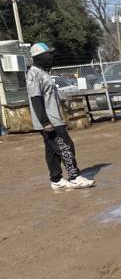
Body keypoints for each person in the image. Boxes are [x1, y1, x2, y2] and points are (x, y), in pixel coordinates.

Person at [26, 42, 95, 190]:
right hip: (49, 121)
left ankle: (56, 179)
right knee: (65, 146)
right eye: (47, 54)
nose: (50, 56)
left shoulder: (43, 73)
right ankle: (75, 177)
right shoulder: (33, 74)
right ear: (38, 57)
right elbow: (35, 99)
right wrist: (45, 122)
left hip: (54, 119)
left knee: (51, 151)